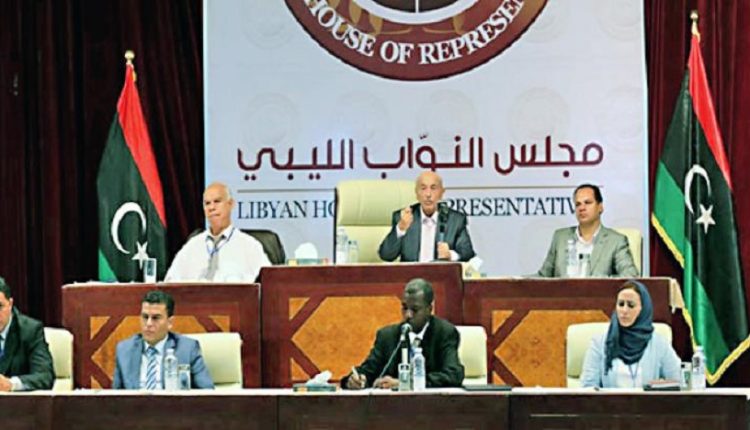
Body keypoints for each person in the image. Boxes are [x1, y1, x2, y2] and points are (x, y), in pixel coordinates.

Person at [341, 278, 464, 389]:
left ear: (429, 309)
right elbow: (368, 370)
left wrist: (407, 383)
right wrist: (355, 380)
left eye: (415, 310)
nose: (408, 315)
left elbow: (453, 375)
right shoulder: (387, 336)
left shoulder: (444, 333)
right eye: (405, 308)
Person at [580, 280, 680, 388]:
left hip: (647, 400)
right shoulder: (599, 343)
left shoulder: (659, 344)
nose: (624, 310)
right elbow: (588, 387)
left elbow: (678, 381)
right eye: (621, 304)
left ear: (643, 309)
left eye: (631, 305)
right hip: (610, 400)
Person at [165, 182, 271, 282]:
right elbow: (170, 282)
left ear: (231, 204)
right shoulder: (192, 246)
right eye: (207, 203)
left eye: (217, 201)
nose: (211, 207)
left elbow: (269, 282)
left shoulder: (249, 246)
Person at [113, 290, 214, 389]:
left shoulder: (187, 349)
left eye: (156, 318)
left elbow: (207, 392)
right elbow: (115, 396)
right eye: (145, 317)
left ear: (170, 322)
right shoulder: (124, 350)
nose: (148, 324)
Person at [536, 183, 639, 277]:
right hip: (563, 292)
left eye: (587, 202)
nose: (582, 208)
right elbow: (543, 276)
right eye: (578, 204)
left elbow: (630, 275)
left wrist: (598, 282)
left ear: (600, 207)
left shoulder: (616, 241)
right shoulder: (560, 238)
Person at [378, 171, 475, 262]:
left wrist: (450, 255)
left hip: (441, 273)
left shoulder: (455, 220)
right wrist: (401, 228)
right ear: (416, 193)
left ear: (441, 193)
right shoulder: (403, 218)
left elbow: (467, 253)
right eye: (423, 188)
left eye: (433, 188)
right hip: (411, 274)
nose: (428, 194)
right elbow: (386, 256)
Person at [0, 277, 54, 391]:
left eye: (0, 307)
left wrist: (11, 384)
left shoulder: (30, 331)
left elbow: (44, 376)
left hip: (16, 401)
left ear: (10, 304)